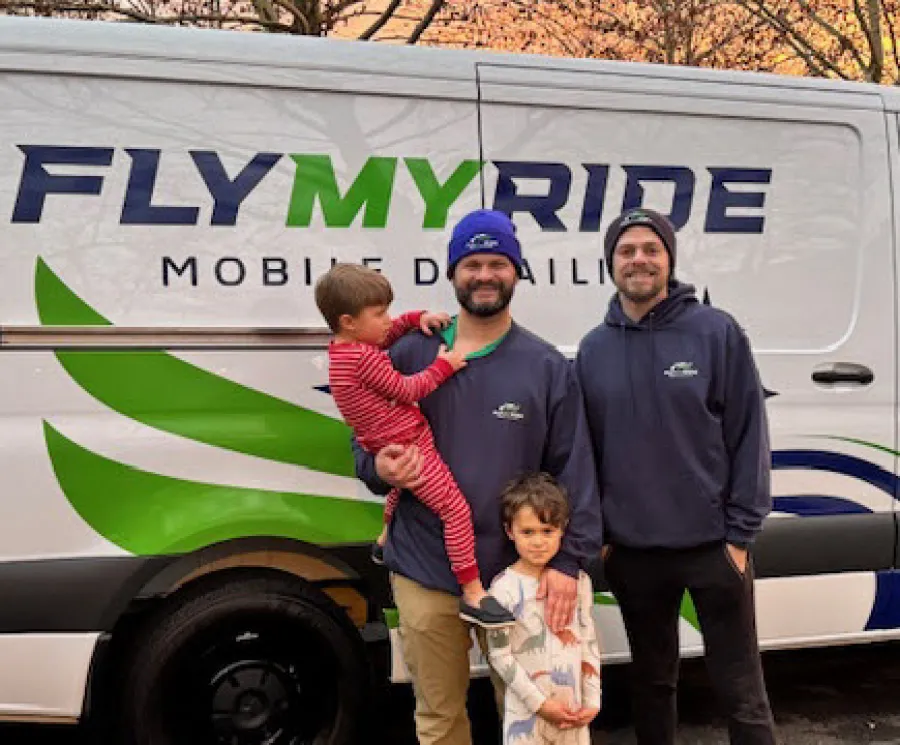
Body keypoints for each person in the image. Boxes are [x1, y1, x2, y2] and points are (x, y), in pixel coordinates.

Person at [353, 208, 603, 745]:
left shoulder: (545, 366)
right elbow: (364, 442)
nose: (484, 275)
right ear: (452, 273)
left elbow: (574, 470)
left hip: (518, 575)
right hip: (425, 569)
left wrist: (566, 561)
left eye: (497, 263)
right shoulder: (409, 352)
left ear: (516, 272)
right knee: (440, 719)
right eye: (471, 264)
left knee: (531, 717)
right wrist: (378, 467)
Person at [576, 207, 776, 745]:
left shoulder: (715, 331)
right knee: (652, 683)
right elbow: (585, 452)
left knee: (741, 688)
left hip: (713, 547)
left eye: (651, 249)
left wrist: (739, 537)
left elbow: (749, 434)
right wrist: (603, 538)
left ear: (669, 259)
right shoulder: (593, 349)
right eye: (626, 250)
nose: (638, 260)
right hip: (633, 553)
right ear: (611, 263)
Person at [315, 262, 515, 628]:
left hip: (384, 439)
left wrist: (415, 318)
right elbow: (408, 389)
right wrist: (444, 365)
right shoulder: (363, 358)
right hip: (407, 442)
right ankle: (472, 591)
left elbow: (386, 334)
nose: (388, 321)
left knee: (402, 488)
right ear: (348, 322)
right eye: (380, 313)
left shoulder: (344, 351)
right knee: (454, 510)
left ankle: (384, 538)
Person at [487, 473, 602, 745]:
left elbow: (588, 640)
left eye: (547, 531)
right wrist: (539, 704)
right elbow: (499, 656)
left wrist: (593, 698)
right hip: (526, 715)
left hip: (573, 712)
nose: (538, 542)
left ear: (563, 528)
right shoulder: (502, 589)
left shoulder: (580, 582)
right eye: (528, 532)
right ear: (509, 531)